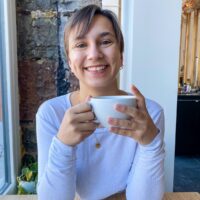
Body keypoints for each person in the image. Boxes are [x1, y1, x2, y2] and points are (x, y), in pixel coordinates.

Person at [36, 4, 165, 200]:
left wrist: (150, 144)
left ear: (121, 56)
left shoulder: (148, 114)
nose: (94, 54)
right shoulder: (51, 113)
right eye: (81, 45)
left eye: (105, 41)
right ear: (70, 62)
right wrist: (63, 145)